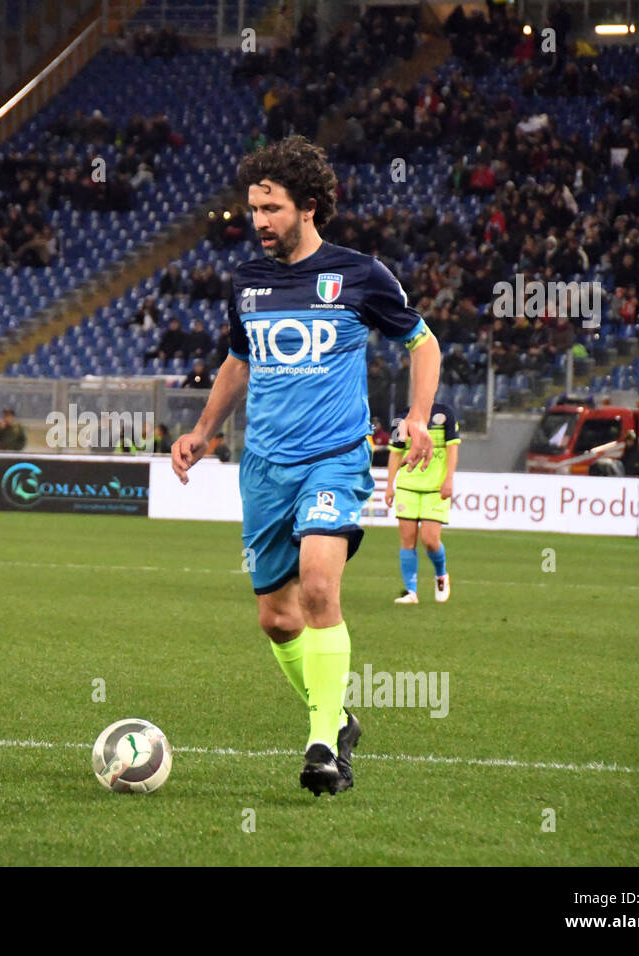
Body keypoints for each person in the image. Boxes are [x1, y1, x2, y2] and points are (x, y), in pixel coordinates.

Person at [171, 136, 440, 798]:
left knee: (320, 587)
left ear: (308, 207)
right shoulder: (247, 282)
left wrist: (416, 416)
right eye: (253, 209)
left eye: (272, 209)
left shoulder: (359, 275)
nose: (258, 222)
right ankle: (338, 716)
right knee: (277, 619)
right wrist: (204, 431)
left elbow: (423, 341)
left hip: (335, 460)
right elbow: (239, 361)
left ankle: (323, 746)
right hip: (264, 468)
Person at [385, 402, 460, 604]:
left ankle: (441, 575)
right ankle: (411, 592)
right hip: (407, 486)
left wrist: (449, 479)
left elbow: (452, 449)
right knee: (407, 539)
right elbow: (395, 453)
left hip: (435, 488)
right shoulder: (400, 417)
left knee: (430, 540)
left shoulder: (445, 413)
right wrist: (390, 485)